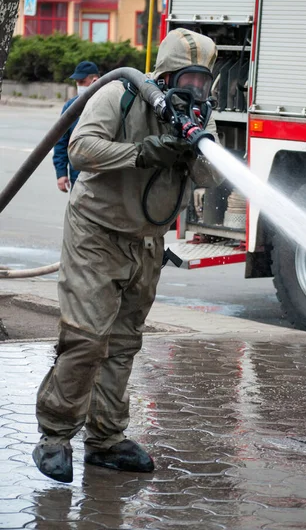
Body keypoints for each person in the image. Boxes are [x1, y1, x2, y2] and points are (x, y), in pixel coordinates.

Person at [32, 28, 221, 483]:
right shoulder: (120, 92)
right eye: (185, 79)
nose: (193, 90)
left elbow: (213, 175)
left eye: (202, 82)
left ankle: (106, 439)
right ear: (165, 73)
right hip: (96, 232)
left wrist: (191, 150)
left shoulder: (199, 115)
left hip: (147, 241)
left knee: (123, 342)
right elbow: (80, 148)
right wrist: (141, 153)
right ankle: (55, 438)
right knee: (86, 339)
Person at [53, 61, 100, 192]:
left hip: (103, 177)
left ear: (94, 80)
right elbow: (61, 141)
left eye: (82, 81)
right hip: (77, 177)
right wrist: (61, 173)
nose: (78, 85)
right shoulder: (71, 107)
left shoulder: (108, 103)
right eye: (77, 82)